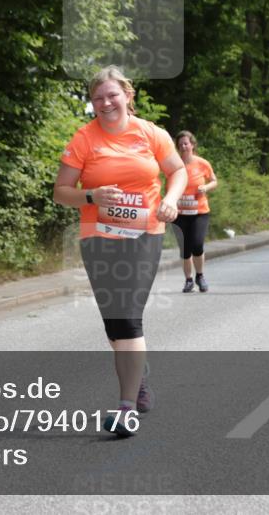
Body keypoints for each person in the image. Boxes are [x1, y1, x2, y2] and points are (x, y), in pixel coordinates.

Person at [53, 66, 186, 436]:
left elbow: (177, 172)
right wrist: (92, 195)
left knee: (128, 319)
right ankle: (138, 376)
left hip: (144, 234)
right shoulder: (84, 139)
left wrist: (172, 200)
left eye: (112, 95)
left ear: (128, 95)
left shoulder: (150, 133)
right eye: (98, 98)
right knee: (115, 325)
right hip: (97, 236)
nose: (105, 103)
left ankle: (126, 406)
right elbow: (61, 191)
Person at [172, 130, 217, 293]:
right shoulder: (174, 164)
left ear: (192, 145)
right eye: (181, 144)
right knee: (185, 248)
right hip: (179, 213)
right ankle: (188, 280)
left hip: (199, 211)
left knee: (197, 244)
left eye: (186, 143)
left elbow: (214, 181)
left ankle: (200, 276)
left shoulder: (202, 163)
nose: (184, 146)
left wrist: (205, 187)